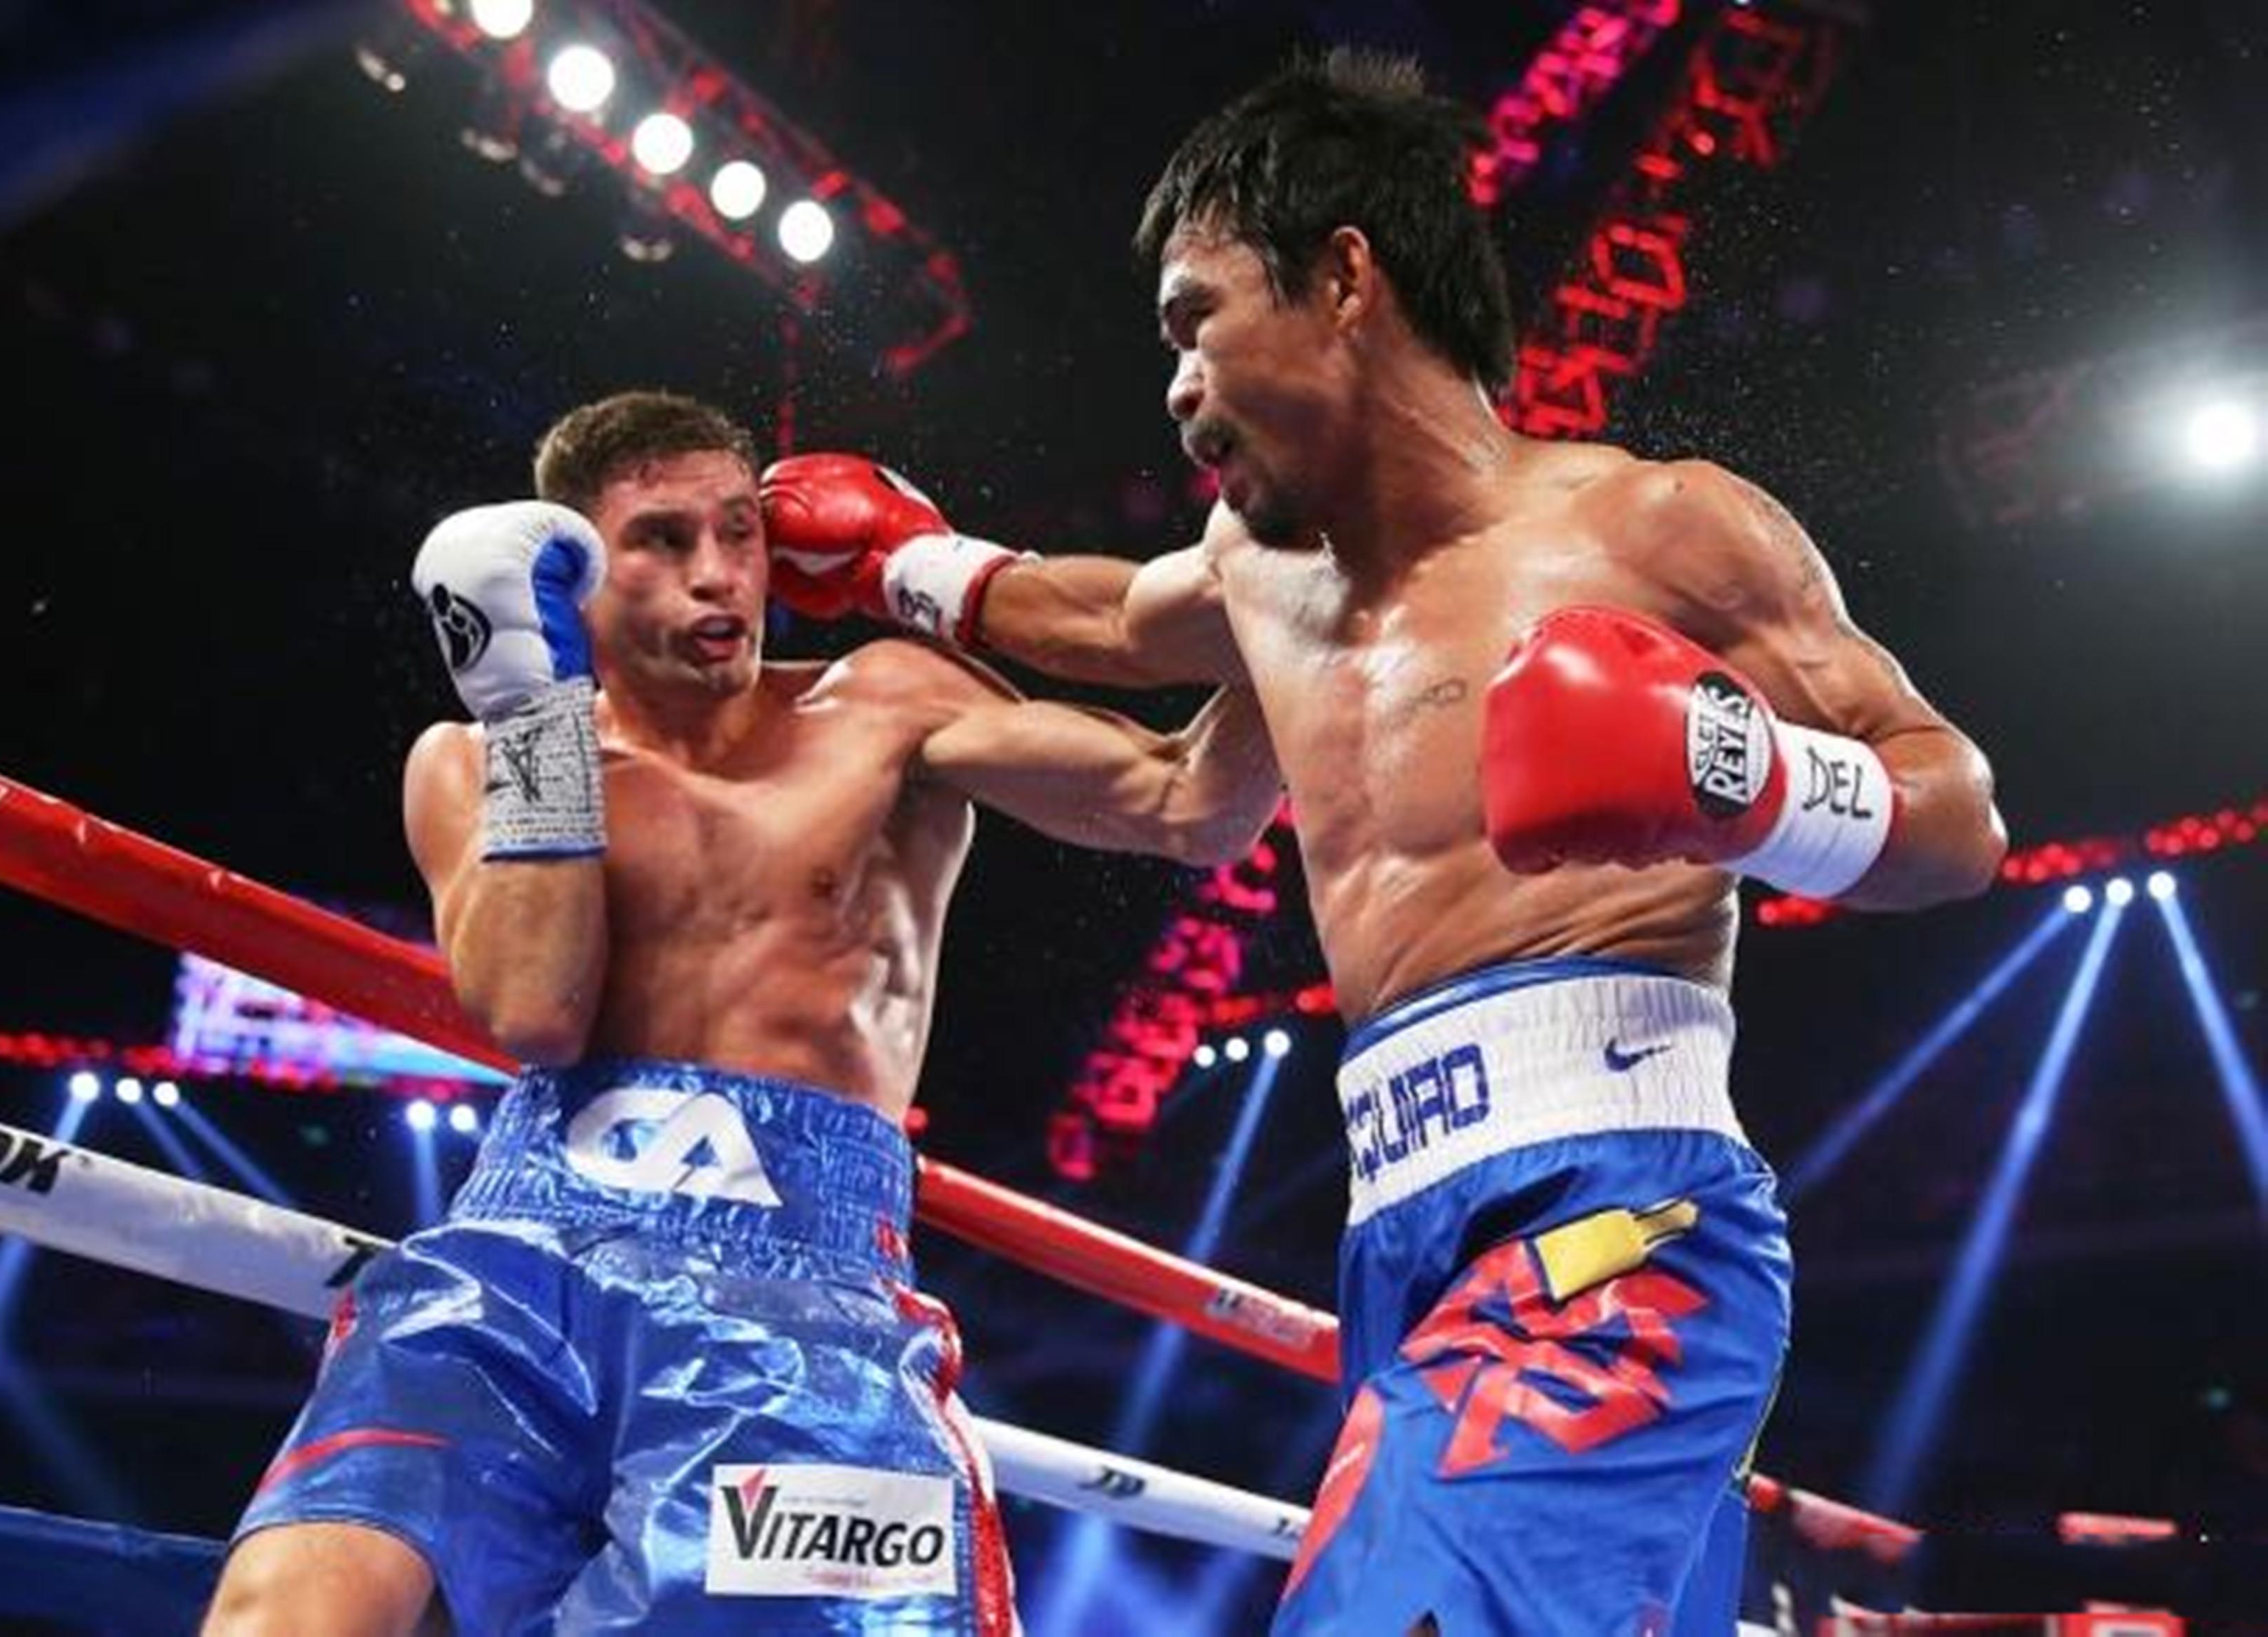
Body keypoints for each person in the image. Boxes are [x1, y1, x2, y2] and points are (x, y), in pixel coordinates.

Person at [758, 50, 2009, 1637]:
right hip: (1397, 1236)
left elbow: (1954, 818)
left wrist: (1740, 778)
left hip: (1615, 1214)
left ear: (1343, 275)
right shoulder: (1262, 574)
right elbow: (1108, 630)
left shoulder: (1650, 528)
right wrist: (898, 567)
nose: (1175, 386)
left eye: (1194, 319)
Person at [200, 389, 1284, 1637]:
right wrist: (538, 717)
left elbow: (1192, 804)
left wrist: (1310, 569)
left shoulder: (883, 702)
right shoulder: (477, 753)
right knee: (285, 1612)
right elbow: (538, 1009)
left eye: (738, 533)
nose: (718, 576)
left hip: (803, 1283)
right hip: (520, 1251)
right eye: (663, 541)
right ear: (570, 568)